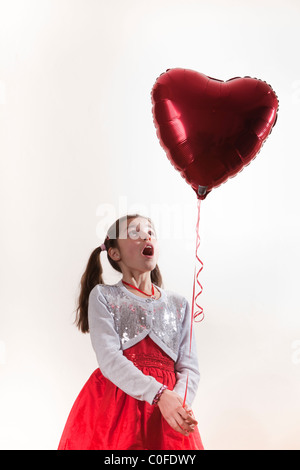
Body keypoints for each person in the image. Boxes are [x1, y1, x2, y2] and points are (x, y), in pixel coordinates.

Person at [58, 213, 204, 450]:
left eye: (150, 231)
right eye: (134, 232)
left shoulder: (179, 304)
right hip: (116, 408)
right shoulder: (104, 296)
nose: (146, 235)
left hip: (169, 412)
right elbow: (109, 359)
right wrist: (158, 395)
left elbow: (189, 367)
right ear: (115, 253)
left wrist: (178, 404)